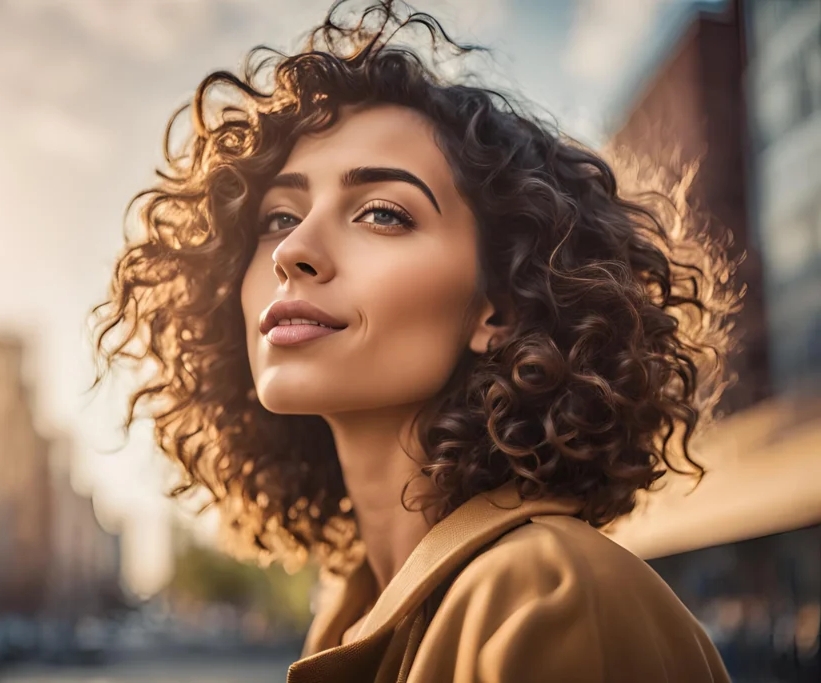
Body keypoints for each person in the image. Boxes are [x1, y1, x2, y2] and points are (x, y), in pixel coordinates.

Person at [95, 1, 738, 680]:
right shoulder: (351, 613)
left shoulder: (551, 595)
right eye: (278, 215)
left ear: (501, 306)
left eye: (381, 213)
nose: (293, 250)